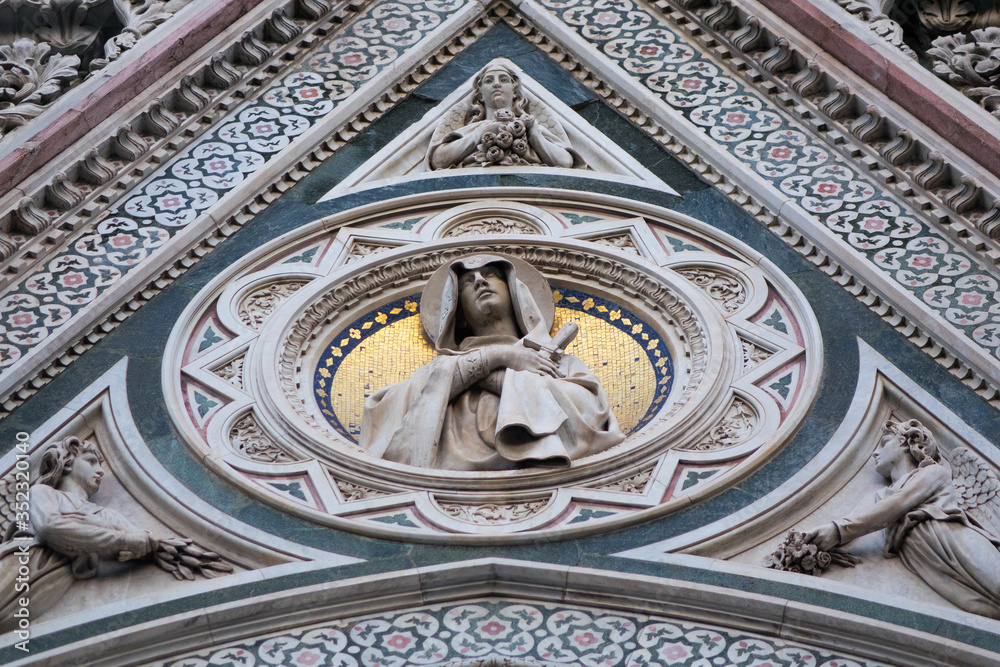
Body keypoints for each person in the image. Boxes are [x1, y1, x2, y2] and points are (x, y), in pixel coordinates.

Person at [360, 254, 624, 470]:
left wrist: (497, 376)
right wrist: (498, 357)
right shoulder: (435, 372)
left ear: (514, 294)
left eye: (491, 275)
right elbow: (386, 416)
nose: (479, 281)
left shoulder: (561, 365)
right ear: (458, 314)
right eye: (467, 282)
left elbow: (591, 414)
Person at [806, 419, 1000, 618]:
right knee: (985, 609)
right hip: (932, 562)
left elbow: (897, 504)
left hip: (958, 544)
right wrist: (811, 542)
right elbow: (856, 522)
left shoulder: (934, 472)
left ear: (911, 442)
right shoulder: (878, 497)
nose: (875, 452)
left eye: (885, 443)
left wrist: (837, 530)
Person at [0, 437, 157, 631]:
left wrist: (142, 542)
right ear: (66, 463)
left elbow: (143, 539)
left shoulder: (108, 515)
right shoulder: (43, 492)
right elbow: (50, 525)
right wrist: (122, 540)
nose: (100, 470)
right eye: (91, 461)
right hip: (22, 563)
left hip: (51, 582)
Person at [425, 61, 582, 170]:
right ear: (480, 95)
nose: (496, 84)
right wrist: (479, 134)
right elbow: (438, 160)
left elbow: (565, 162)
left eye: (503, 79)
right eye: (488, 81)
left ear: (515, 91)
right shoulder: (471, 129)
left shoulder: (532, 127)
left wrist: (535, 136)